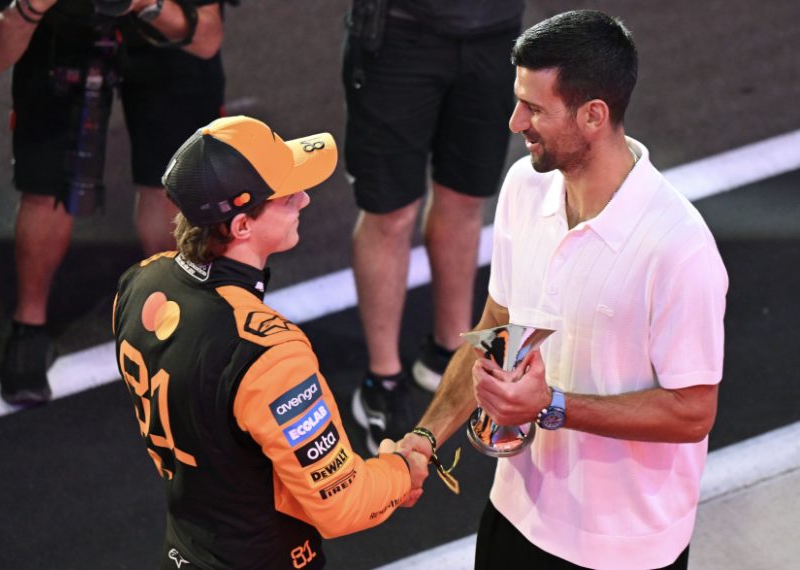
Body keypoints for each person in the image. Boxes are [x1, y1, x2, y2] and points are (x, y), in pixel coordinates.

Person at [398, 10, 729, 570]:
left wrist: (550, 406)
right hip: (515, 513)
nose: (514, 122)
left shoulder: (680, 248)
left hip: (625, 549)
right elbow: (497, 322)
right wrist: (425, 439)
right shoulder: (523, 188)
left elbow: (693, 412)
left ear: (593, 115)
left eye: (533, 109)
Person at [113, 116, 429, 569]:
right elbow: (341, 505)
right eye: (286, 195)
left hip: (183, 550)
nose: (305, 198)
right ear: (242, 226)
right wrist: (401, 471)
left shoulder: (139, 284)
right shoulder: (269, 354)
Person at [0, 0, 227, 406]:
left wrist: (147, 5)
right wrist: (31, 7)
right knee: (47, 188)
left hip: (160, 38)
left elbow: (207, 38)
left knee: (171, 187)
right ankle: (29, 324)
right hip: (58, 34)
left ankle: (175, 315)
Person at [342, 0, 526, 452]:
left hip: (495, 31)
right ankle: (383, 380)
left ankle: (451, 353)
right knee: (391, 213)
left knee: (465, 199)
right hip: (400, 32)